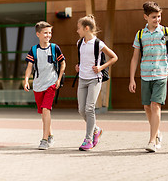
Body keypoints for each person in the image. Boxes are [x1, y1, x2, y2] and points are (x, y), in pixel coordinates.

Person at [129, 1, 168, 153]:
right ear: (145, 17)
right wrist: (131, 79)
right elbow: (135, 58)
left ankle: (152, 140)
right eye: (153, 17)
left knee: (156, 105)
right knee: (147, 107)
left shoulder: (166, 32)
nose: (157, 19)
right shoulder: (140, 34)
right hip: (145, 75)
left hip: (161, 74)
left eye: (159, 16)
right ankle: (157, 133)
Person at [75, 15, 118, 151]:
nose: (77, 31)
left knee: (89, 108)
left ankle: (88, 139)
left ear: (86, 28)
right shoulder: (79, 43)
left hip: (95, 79)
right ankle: (96, 130)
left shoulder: (98, 43)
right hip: (82, 79)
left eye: (79, 28)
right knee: (81, 110)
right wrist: (78, 65)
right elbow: (83, 59)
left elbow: (114, 57)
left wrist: (100, 67)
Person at [24, 21, 66, 150]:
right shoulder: (34, 50)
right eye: (45, 33)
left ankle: (44, 140)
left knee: (46, 110)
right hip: (38, 85)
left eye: (50, 32)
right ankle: (51, 135)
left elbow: (63, 63)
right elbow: (29, 66)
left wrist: (58, 79)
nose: (48, 35)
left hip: (51, 83)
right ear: (38, 34)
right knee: (43, 113)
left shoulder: (55, 48)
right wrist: (26, 80)